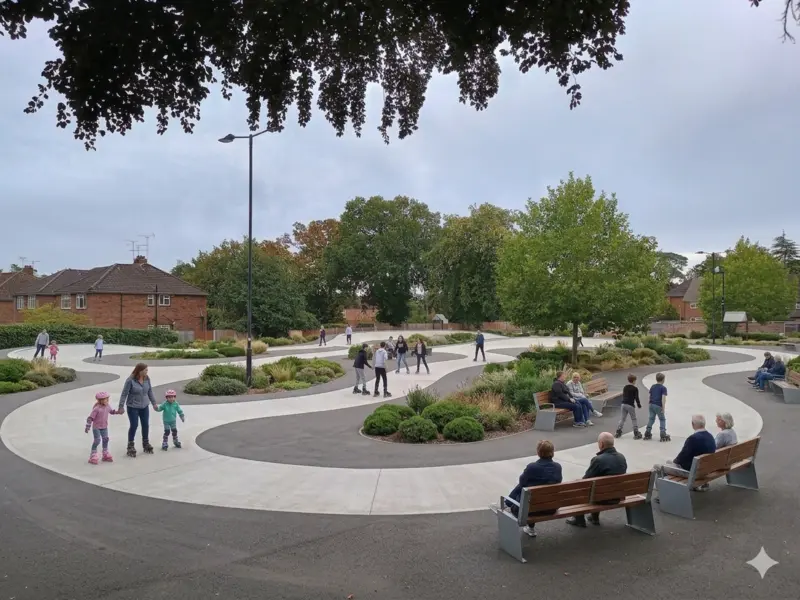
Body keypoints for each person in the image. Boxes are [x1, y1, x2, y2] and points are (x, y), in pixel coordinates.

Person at [491, 440, 563, 538]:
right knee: (532, 493)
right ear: (552, 452)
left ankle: (506, 503)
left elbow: (522, 483)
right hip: (550, 508)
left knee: (524, 489)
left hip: (528, 510)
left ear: (538, 452)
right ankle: (530, 528)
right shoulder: (558, 467)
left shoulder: (532, 467)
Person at [566, 432, 627, 527]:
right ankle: (594, 518)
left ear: (601, 444)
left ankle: (579, 519)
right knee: (599, 487)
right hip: (617, 496)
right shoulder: (621, 457)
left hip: (602, 498)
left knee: (578, 485)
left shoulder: (598, 460)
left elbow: (586, 481)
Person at [117, 363, 158, 457]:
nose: (147, 372)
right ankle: (130, 445)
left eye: (147, 370)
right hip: (133, 407)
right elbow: (124, 394)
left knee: (145, 425)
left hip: (144, 406)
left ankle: (145, 443)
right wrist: (121, 406)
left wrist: (154, 403)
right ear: (140, 370)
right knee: (134, 425)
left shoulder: (147, 379)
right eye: (145, 370)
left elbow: (150, 391)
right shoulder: (130, 380)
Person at [85, 391, 122, 464]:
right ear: (100, 400)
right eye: (105, 399)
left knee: (105, 439)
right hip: (96, 427)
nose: (107, 400)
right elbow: (90, 418)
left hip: (104, 427)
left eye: (107, 399)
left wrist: (117, 412)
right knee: (97, 440)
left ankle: (105, 453)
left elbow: (111, 411)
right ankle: (93, 455)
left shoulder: (107, 406)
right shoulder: (96, 409)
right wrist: (88, 426)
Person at [643, 372, 670, 441]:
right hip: (658, 405)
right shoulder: (663, 388)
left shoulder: (652, 386)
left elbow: (649, 396)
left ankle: (647, 432)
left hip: (651, 405)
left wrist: (649, 403)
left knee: (651, 418)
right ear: (663, 380)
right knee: (662, 419)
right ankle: (662, 433)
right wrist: (663, 408)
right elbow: (663, 398)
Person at [616, 373, 643, 439]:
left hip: (623, 404)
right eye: (635, 380)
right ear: (633, 381)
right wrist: (639, 405)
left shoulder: (625, 387)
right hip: (630, 405)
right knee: (633, 418)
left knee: (623, 418)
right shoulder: (635, 388)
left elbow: (624, 395)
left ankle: (618, 431)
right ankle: (636, 432)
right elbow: (636, 398)